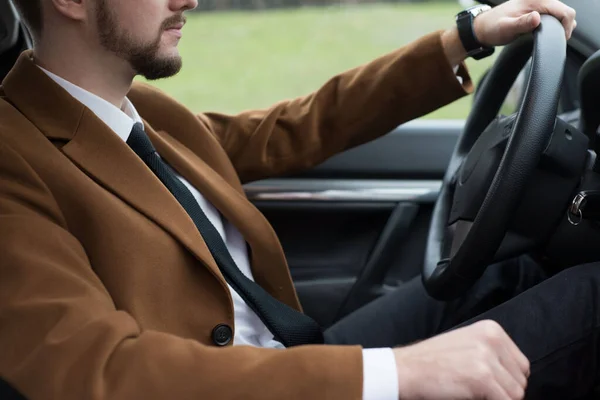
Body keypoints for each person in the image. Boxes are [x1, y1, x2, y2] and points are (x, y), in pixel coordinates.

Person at [0, 0, 584, 399]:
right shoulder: (13, 158)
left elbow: (296, 127)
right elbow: (97, 369)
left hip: (292, 361)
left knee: (517, 270)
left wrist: (462, 40)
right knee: (590, 300)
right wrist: (394, 375)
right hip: (246, 386)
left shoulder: (144, 112)